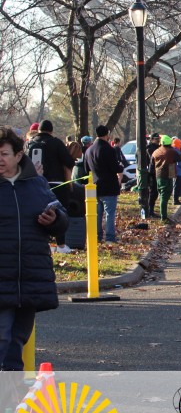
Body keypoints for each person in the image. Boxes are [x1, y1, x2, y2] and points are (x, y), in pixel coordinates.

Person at [0, 127, 65, 378]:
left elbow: (62, 219)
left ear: (18, 155)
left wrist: (54, 219)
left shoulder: (36, 184)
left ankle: (11, 392)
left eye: (4, 154)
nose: (0, 160)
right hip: (3, 275)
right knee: (2, 336)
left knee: (18, 337)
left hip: (30, 275)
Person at [26, 120, 75, 253]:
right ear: (51, 131)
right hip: (57, 183)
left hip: (36, 183)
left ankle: (45, 242)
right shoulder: (56, 142)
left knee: (38, 213)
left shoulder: (30, 143)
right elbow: (69, 161)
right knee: (59, 212)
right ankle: (61, 244)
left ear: (39, 130)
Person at [83, 125, 123, 243]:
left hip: (94, 185)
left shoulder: (89, 150)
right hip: (109, 185)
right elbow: (114, 167)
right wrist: (121, 167)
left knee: (97, 213)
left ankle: (97, 236)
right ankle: (110, 237)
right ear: (107, 134)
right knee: (110, 213)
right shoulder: (108, 149)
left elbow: (86, 169)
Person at [151, 135, 179, 221]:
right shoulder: (171, 151)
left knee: (163, 194)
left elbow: (152, 163)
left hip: (159, 175)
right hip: (168, 174)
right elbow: (179, 157)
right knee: (165, 195)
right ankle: (163, 217)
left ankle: (164, 215)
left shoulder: (156, 151)